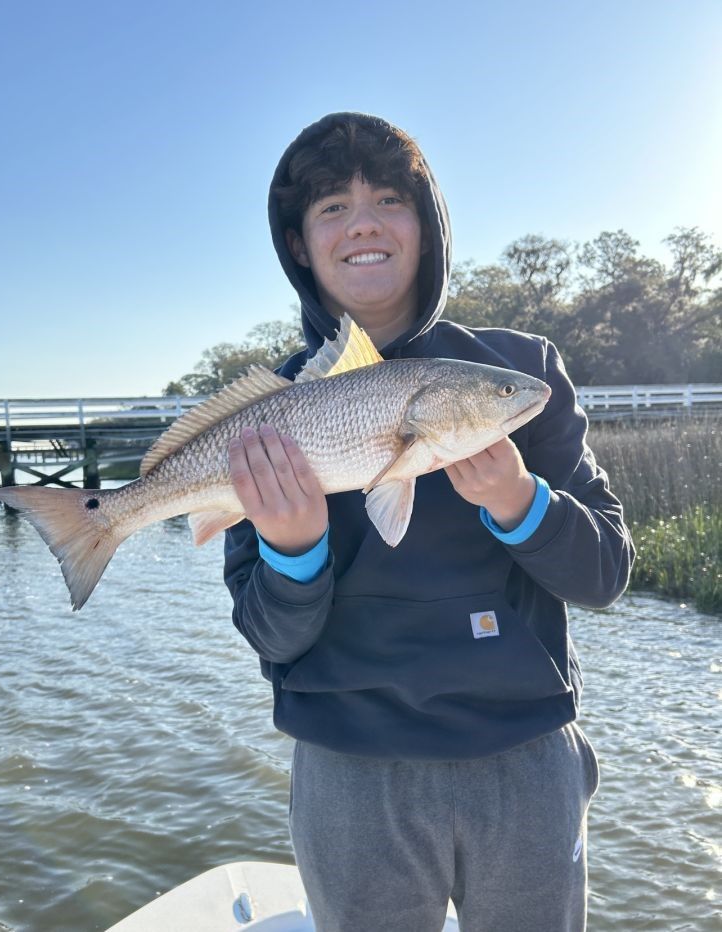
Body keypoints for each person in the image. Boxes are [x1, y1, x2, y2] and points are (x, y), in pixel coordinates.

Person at [223, 112, 634, 932]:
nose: (363, 223)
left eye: (388, 199)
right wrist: (293, 551)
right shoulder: (271, 412)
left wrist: (520, 503)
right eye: (332, 207)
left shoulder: (522, 371)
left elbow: (606, 575)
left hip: (525, 755)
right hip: (348, 770)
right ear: (299, 243)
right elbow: (270, 637)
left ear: (428, 225)